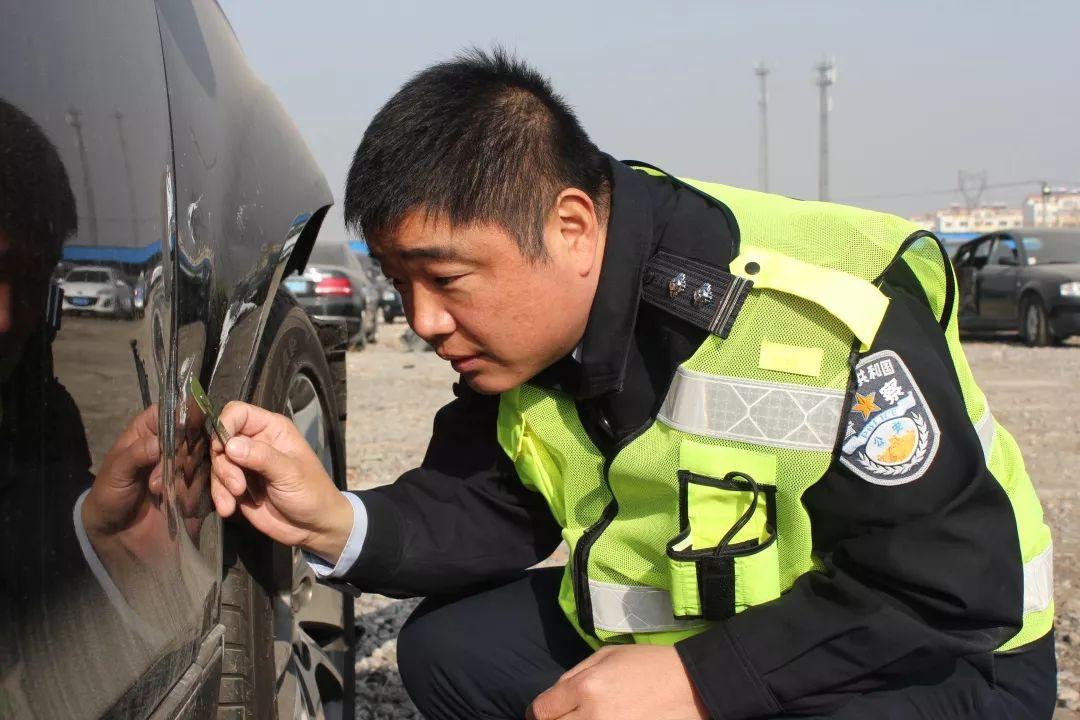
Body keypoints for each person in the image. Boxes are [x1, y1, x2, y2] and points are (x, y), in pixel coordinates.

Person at [208, 50, 1057, 719]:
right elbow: (489, 505)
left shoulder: (817, 314)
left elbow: (952, 588)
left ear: (571, 226)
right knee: (451, 651)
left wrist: (698, 682)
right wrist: (334, 517)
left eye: (446, 278)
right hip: (730, 625)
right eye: (399, 284)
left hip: (944, 655)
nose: (422, 320)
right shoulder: (530, 336)